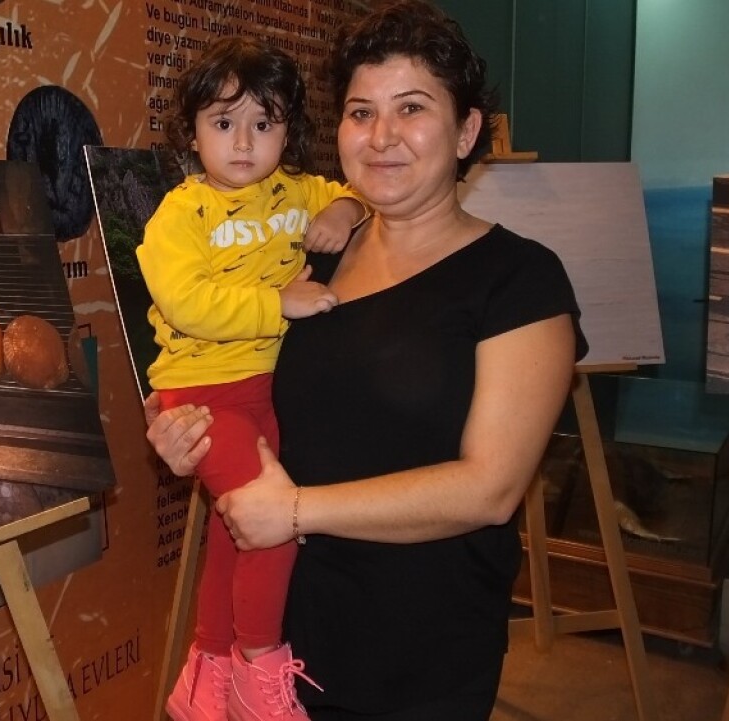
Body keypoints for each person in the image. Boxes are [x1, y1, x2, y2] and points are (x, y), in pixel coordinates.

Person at [145, 2, 589, 719]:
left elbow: (489, 488)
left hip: (415, 651)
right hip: (285, 633)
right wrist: (185, 437)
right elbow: (265, 408)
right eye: (360, 112)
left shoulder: (519, 280)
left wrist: (293, 510)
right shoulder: (314, 254)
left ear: (467, 129)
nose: (381, 136)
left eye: (411, 108)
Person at [138, 36, 368, 721]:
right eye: (224, 122)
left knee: (233, 532)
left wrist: (345, 210)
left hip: (268, 390)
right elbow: (187, 303)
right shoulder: (181, 213)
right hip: (204, 394)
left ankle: (205, 677)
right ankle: (258, 670)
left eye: (263, 124)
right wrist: (278, 303)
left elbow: (363, 193)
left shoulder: (299, 192)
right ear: (193, 132)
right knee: (273, 522)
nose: (244, 142)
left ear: (287, 132)